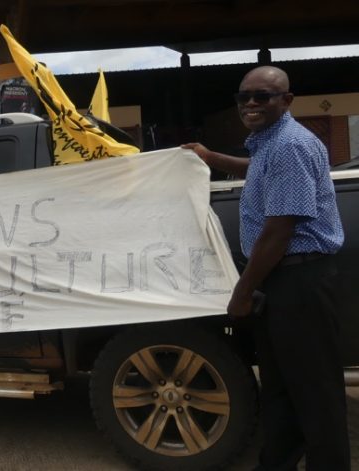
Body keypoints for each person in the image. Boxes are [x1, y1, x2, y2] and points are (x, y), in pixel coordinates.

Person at [183, 66, 350, 470]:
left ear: (286, 100)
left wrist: (242, 292)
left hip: (299, 282)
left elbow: (278, 231)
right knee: (281, 387)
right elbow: (255, 170)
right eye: (244, 97)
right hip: (283, 282)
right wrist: (209, 157)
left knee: (314, 393)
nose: (252, 104)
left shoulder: (290, 145)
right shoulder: (269, 144)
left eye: (263, 96)